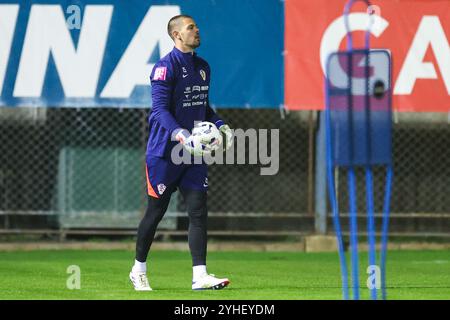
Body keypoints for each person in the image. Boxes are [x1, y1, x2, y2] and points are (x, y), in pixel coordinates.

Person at [129, 14, 233, 291]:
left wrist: (221, 125)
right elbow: (160, 110)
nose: (197, 31)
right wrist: (181, 135)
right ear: (176, 35)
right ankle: (138, 269)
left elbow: (204, 107)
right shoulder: (165, 68)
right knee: (156, 212)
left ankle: (200, 275)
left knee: (198, 211)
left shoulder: (203, 67)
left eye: (197, 26)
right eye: (190, 28)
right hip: (165, 152)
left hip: (194, 153)